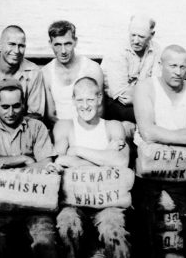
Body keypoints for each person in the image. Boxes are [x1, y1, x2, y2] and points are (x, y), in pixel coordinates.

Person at [133, 45, 186, 257]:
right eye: (173, 65)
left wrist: (161, 136)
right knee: (142, 213)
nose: (178, 71)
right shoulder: (145, 87)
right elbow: (147, 132)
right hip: (149, 169)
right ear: (160, 65)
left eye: (183, 66)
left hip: (184, 168)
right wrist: (184, 138)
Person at [0, 79, 58, 258]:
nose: (10, 112)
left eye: (16, 106)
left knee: (45, 244)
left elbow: (46, 165)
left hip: (34, 204)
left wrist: (0, 169)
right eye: (5, 106)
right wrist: (23, 159)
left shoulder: (37, 127)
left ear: (24, 105)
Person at [52, 77, 131, 258]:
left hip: (109, 203)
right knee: (66, 225)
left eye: (90, 99)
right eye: (80, 100)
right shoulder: (64, 126)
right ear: (73, 101)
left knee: (114, 231)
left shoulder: (113, 127)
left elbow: (121, 163)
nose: (85, 105)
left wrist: (77, 150)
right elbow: (60, 161)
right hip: (73, 202)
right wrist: (104, 157)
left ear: (99, 98)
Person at [0, 25, 45, 121]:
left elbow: (36, 114)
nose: (16, 51)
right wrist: (5, 126)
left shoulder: (34, 72)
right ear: (0, 44)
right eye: (11, 44)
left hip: (23, 130)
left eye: (21, 46)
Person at [42, 20, 104, 128]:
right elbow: (50, 115)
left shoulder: (92, 68)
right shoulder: (46, 72)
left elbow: (99, 109)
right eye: (57, 45)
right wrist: (68, 132)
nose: (63, 51)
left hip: (90, 127)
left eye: (67, 44)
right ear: (50, 44)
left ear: (76, 41)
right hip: (60, 129)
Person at [101, 14, 161, 123]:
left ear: (152, 35)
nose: (136, 41)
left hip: (139, 100)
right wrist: (146, 96)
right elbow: (122, 94)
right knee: (150, 117)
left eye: (141, 36)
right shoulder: (117, 50)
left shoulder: (156, 49)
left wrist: (139, 99)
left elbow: (157, 85)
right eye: (133, 35)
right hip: (113, 102)